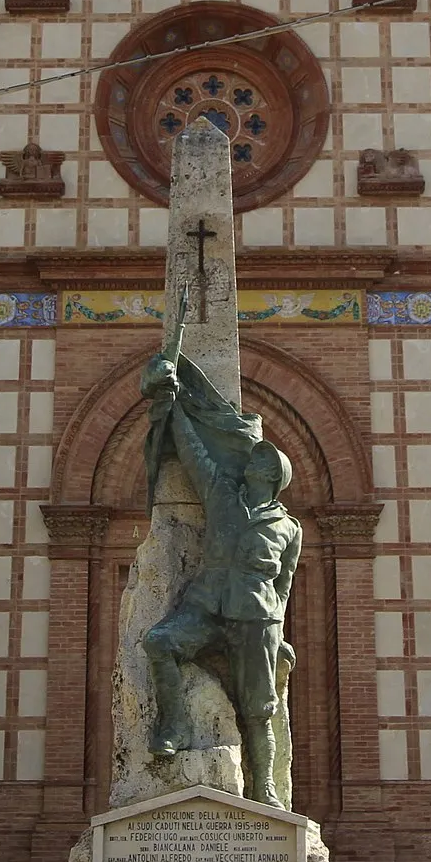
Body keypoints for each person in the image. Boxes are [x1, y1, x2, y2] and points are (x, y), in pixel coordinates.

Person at [138, 342, 302, 806]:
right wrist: (171, 406)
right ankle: (171, 724)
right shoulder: (222, 495)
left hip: (255, 619)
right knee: (159, 643)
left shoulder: (288, 528)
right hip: (207, 606)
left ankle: (265, 786)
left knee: (259, 710)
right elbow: (193, 453)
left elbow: (283, 585)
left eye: (261, 459)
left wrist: (279, 632)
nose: (251, 458)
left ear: (270, 475)